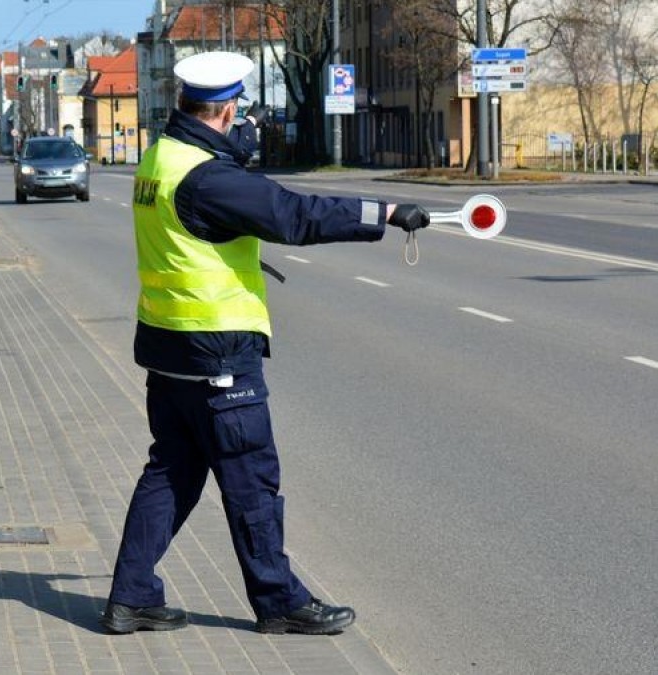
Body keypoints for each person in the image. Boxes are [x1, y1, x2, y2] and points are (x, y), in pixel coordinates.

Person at [101, 51, 429, 637]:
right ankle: (279, 601)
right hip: (218, 356)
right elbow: (294, 215)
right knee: (252, 480)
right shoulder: (208, 177)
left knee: (172, 471)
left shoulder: (160, 158)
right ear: (226, 110)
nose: (247, 122)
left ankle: (132, 595)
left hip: (167, 349)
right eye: (242, 111)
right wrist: (386, 211)